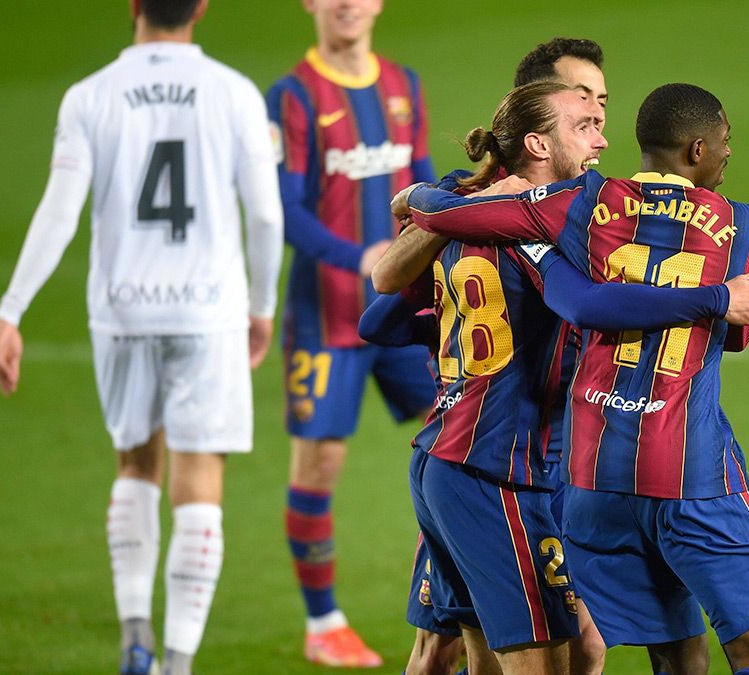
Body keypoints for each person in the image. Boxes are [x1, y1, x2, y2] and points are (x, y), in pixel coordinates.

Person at [394, 83, 749, 675]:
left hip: (592, 480)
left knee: (651, 648)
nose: (729, 154)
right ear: (700, 148)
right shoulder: (738, 223)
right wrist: (715, 298)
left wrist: (425, 191)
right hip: (687, 472)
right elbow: (731, 333)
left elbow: (569, 297)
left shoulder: (578, 203)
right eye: (726, 143)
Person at [0, 2, 283, 674]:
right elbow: (265, 216)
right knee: (199, 481)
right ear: (201, 7)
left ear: (132, 5)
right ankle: (176, 663)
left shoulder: (90, 96)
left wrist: (12, 310)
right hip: (209, 313)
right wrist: (259, 304)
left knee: (135, 467)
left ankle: (133, 638)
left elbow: (60, 211)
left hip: (122, 311)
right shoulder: (234, 93)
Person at [264, 0, 438, 667]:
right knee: (321, 464)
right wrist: (360, 258)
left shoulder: (404, 85)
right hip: (327, 317)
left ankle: (444, 595)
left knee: (457, 442)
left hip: (405, 315)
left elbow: (422, 185)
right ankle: (323, 622)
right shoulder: (293, 96)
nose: (347, 3)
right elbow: (283, 209)